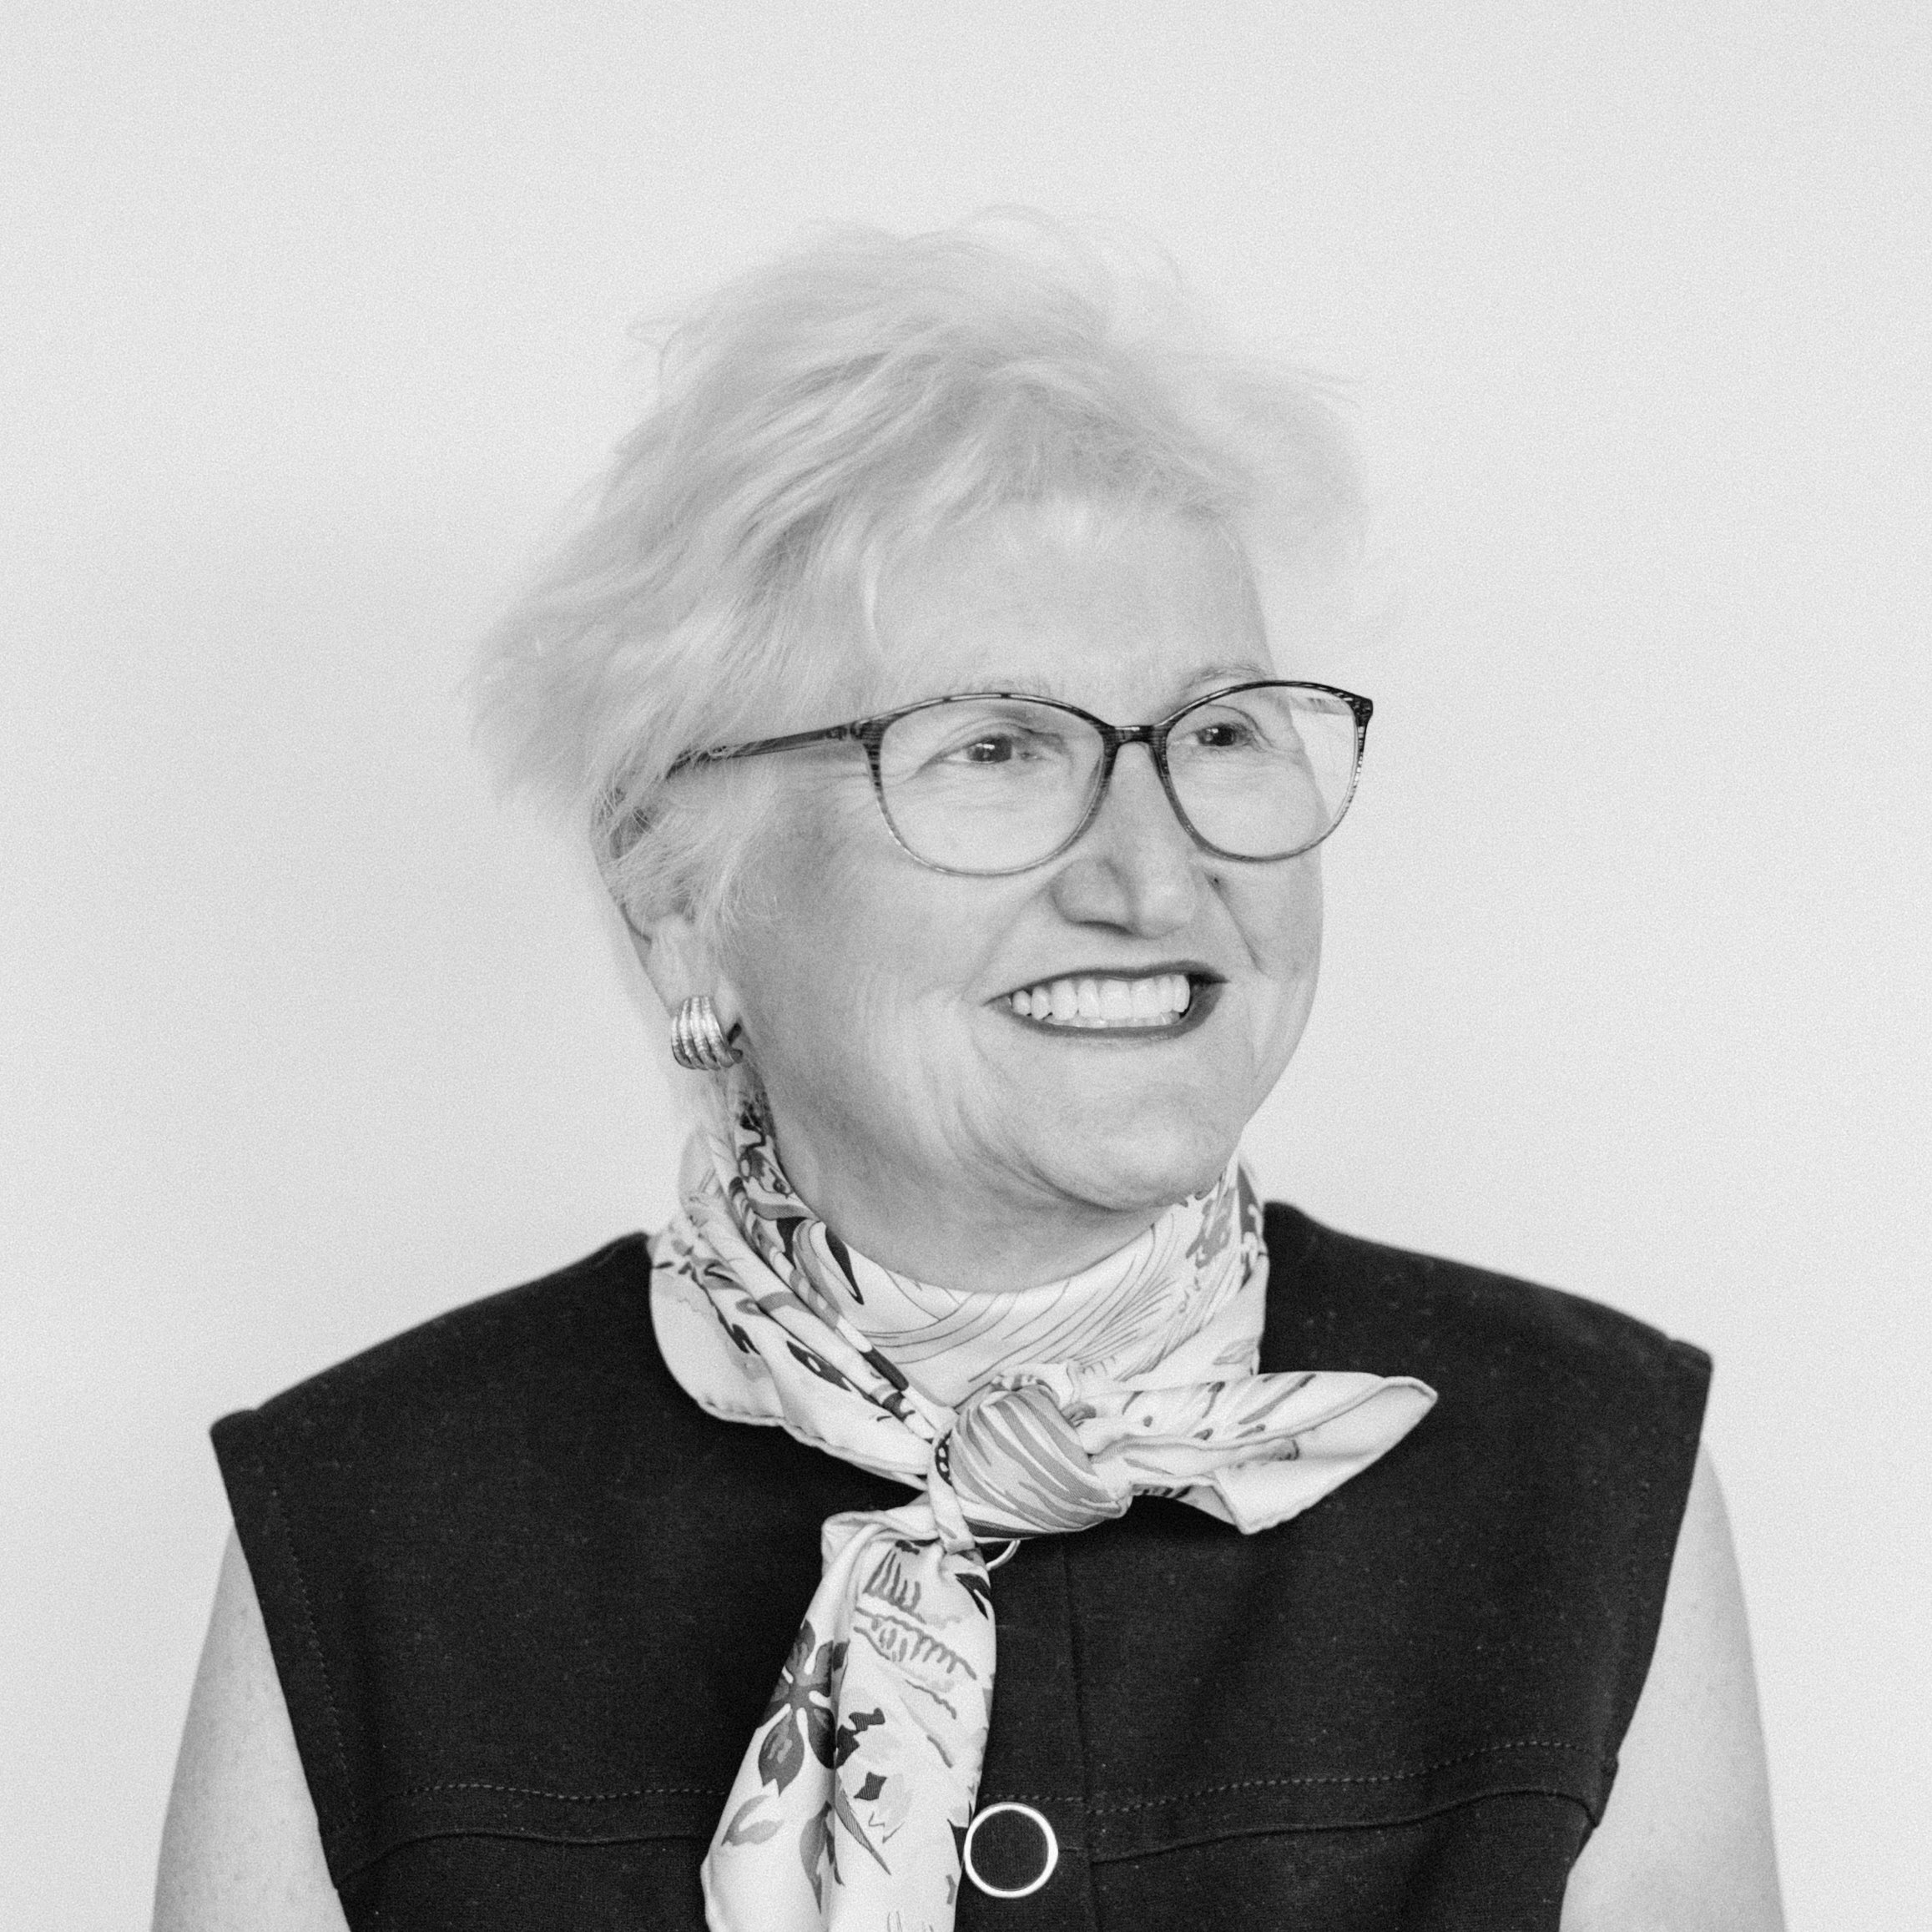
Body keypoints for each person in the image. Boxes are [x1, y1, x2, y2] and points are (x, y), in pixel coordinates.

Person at [154, 217, 1783, 1931]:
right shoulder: (372, 1525)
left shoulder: (1581, 1477)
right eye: (997, 748)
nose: (1154, 877)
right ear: (676, 890)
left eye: (1220, 732)